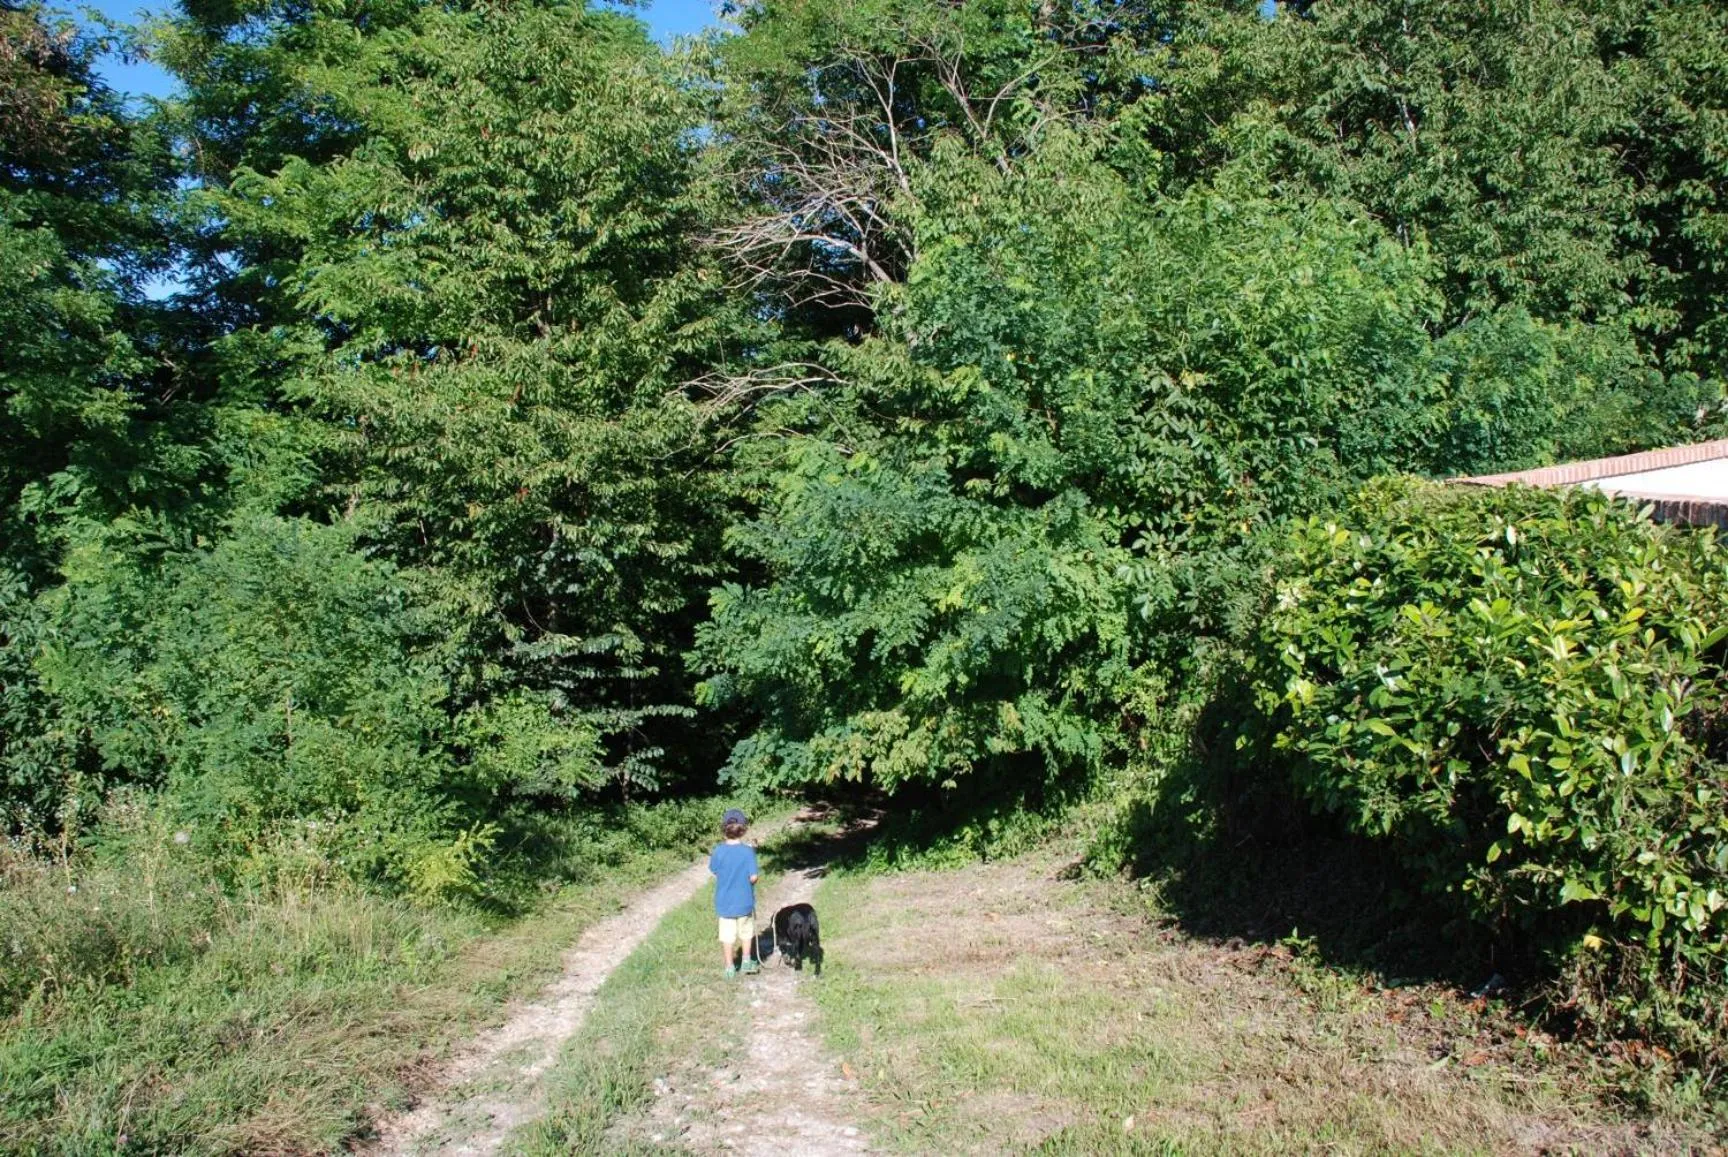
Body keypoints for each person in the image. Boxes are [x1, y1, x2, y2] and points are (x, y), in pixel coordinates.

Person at [710, 807, 760, 977]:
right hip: (744, 901)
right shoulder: (748, 852)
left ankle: (730, 968)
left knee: (727, 936)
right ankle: (746, 961)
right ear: (743, 829)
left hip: (724, 902)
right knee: (746, 932)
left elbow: (715, 871)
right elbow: (753, 877)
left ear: (724, 829)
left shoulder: (718, 851)